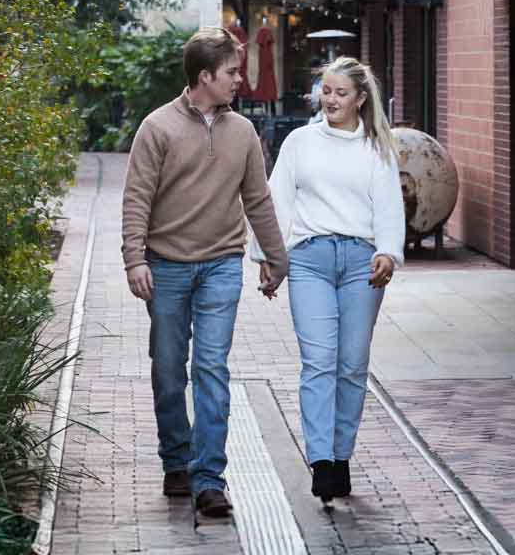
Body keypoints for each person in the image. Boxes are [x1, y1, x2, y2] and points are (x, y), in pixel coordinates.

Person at [122, 28, 289, 521]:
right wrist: (135, 258)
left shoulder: (242, 133)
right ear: (204, 76)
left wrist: (276, 259)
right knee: (169, 369)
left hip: (221, 264)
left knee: (212, 368)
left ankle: (208, 478)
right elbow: (137, 199)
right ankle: (176, 459)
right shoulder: (157, 128)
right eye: (233, 72)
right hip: (166, 265)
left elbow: (257, 199)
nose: (241, 80)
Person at [255, 55, 405, 504]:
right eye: (326, 90)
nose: (331, 99)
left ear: (360, 98)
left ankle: (342, 457)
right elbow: (276, 200)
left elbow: (389, 207)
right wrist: (267, 256)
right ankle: (321, 460)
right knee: (319, 361)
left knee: (352, 365)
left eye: (341, 93)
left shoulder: (377, 148)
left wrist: (388, 253)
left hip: (362, 263)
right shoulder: (300, 142)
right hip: (310, 262)